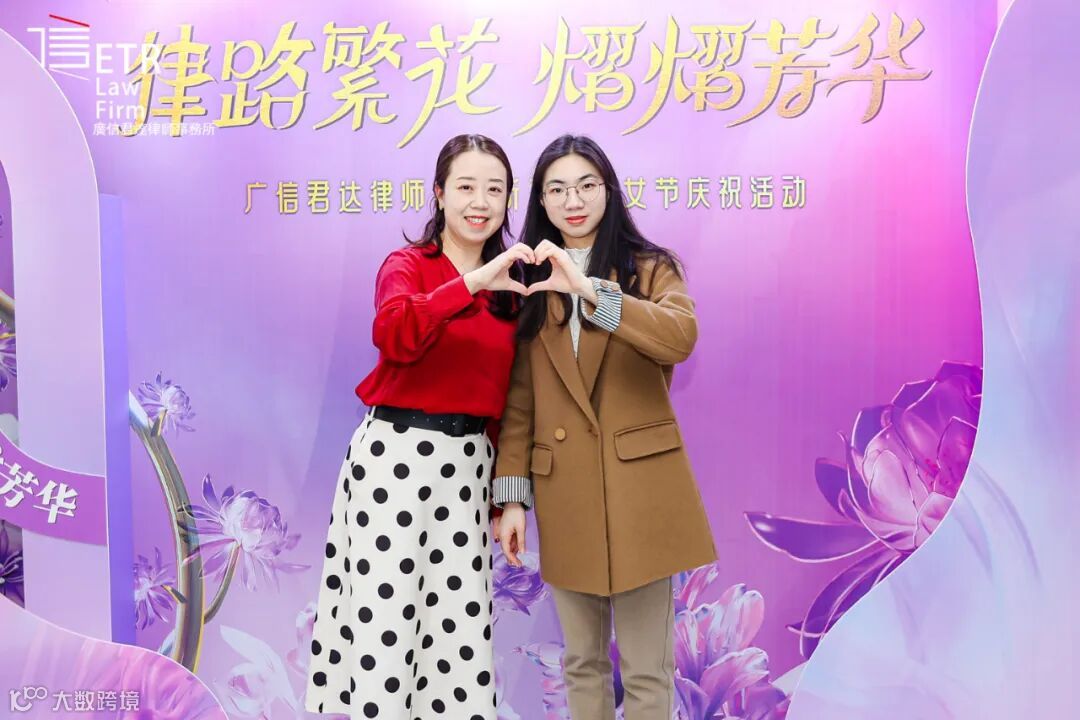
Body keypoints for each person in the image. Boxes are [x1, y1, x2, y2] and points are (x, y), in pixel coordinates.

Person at [306, 134, 533, 720]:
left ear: (508, 200)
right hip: (395, 460)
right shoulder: (408, 265)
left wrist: (508, 499)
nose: (480, 202)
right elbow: (395, 334)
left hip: (468, 470)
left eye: (495, 190)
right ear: (438, 193)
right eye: (466, 187)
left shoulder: (514, 289)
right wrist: (472, 283)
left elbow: (512, 405)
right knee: (387, 621)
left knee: (457, 627)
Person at [493, 134, 716, 720]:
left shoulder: (650, 267)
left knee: (646, 670)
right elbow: (520, 404)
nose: (573, 200)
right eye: (557, 189)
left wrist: (592, 291)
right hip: (565, 492)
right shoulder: (529, 281)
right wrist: (512, 499)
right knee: (582, 664)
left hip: (642, 490)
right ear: (540, 200)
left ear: (609, 191)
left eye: (586, 185)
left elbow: (680, 337)